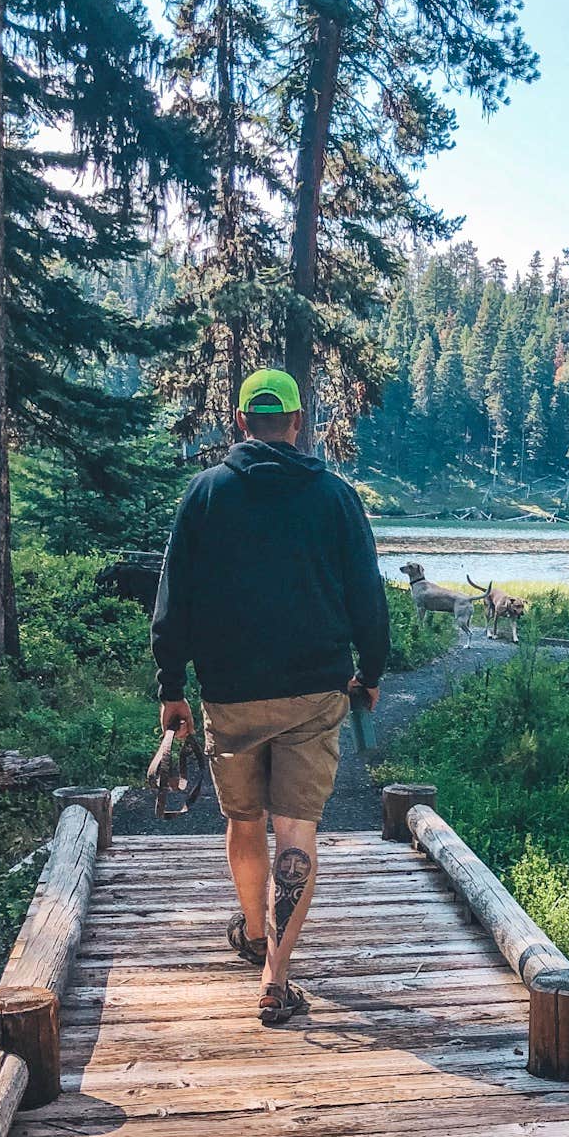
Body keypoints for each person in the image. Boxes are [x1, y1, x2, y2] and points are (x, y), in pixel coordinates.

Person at [151, 368, 390, 1026]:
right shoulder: (336, 499)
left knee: (244, 820)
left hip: (230, 695)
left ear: (239, 422)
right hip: (315, 692)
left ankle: (256, 930)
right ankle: (274, 977)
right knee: (298, 829)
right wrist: (370, 672)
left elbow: (174, 602)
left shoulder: (205, 494)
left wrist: (171, 688)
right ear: (295, 423)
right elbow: (368, 599)